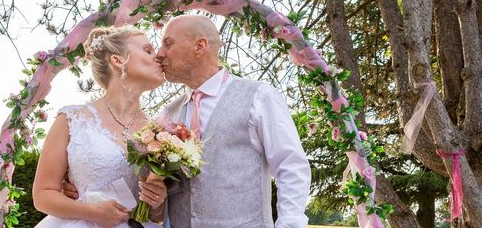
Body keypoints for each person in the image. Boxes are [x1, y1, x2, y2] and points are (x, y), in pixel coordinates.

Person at [157, 14, 311, 228]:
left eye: (168, 43)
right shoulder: (167, 114)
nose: (159, 53)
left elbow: (291, 165)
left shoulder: (259, 96)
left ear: (200, 46)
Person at [33, 26, 168, 228]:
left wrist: (157, 202)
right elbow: (42, 195)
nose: (158, 57)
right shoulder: (71, 119)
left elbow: (157, 217)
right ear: (118, 60)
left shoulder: (160, 132)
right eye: (148, 50)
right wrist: (92, 212)